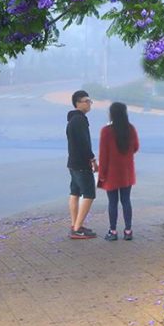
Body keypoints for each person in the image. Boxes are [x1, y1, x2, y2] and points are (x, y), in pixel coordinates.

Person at [98, 102, 140, 241]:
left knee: (113, 202)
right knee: (126, 201)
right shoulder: (131, 129)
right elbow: (135, 147)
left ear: (111, 114)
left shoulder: (106, 131)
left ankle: (113, 231)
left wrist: (102, 175)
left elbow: (103, 155)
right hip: (127, 172)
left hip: (111, 173)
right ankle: (128, 231)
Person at [67, 90, 98, 239]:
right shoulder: (80, 120)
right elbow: (84, 143)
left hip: (73, 163)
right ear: (78, 103)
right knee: (89, 194)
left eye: (89, 101)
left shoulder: (73, 119)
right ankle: (77, 228)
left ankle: (75, 225)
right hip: (81, 163)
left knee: (75, 193)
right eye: (86, 101)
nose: (89, 104)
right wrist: (92, 159)